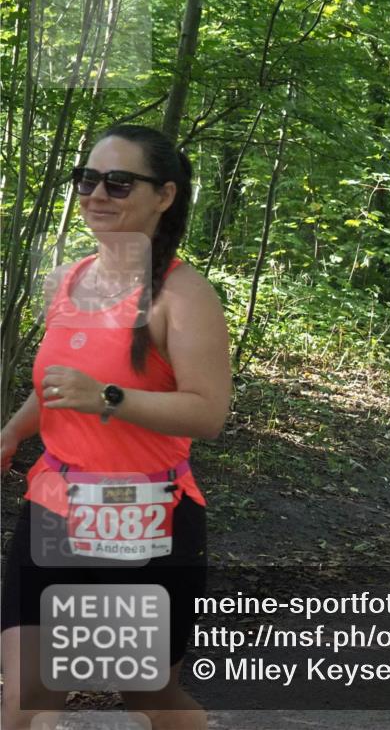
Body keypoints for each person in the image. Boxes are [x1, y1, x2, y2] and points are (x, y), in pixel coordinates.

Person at [0, 125, 231, 730]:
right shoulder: (69, 279)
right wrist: (15, 431)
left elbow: (207, 412)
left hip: (144, 513)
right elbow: (56, 385)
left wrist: (106, 397)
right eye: (88, 179)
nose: (97, 193)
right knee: (26, 697)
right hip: (54, 503)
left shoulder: (183, 295)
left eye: (119, 181)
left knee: (148, 698)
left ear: (164, 195)